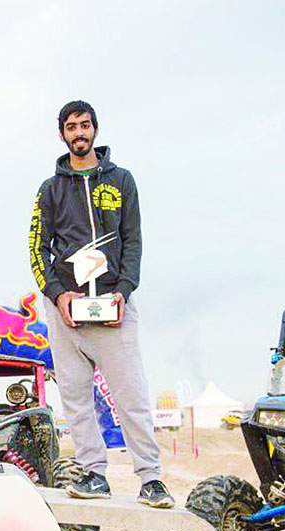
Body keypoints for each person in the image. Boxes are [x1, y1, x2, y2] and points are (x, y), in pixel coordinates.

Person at [28, 100, 174, 509]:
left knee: (131, 393)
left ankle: (151, 478)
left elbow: (134, 241)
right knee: (75, 396)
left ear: (95, 130)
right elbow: (37, 248)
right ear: (62, 134)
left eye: (85, 125)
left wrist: (123, 292)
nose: (79, 133)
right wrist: (58, 296)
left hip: (113, 305)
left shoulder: (122, 181)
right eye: (71, 127)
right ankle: (93, 473)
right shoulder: (50, 189)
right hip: (66, 311)